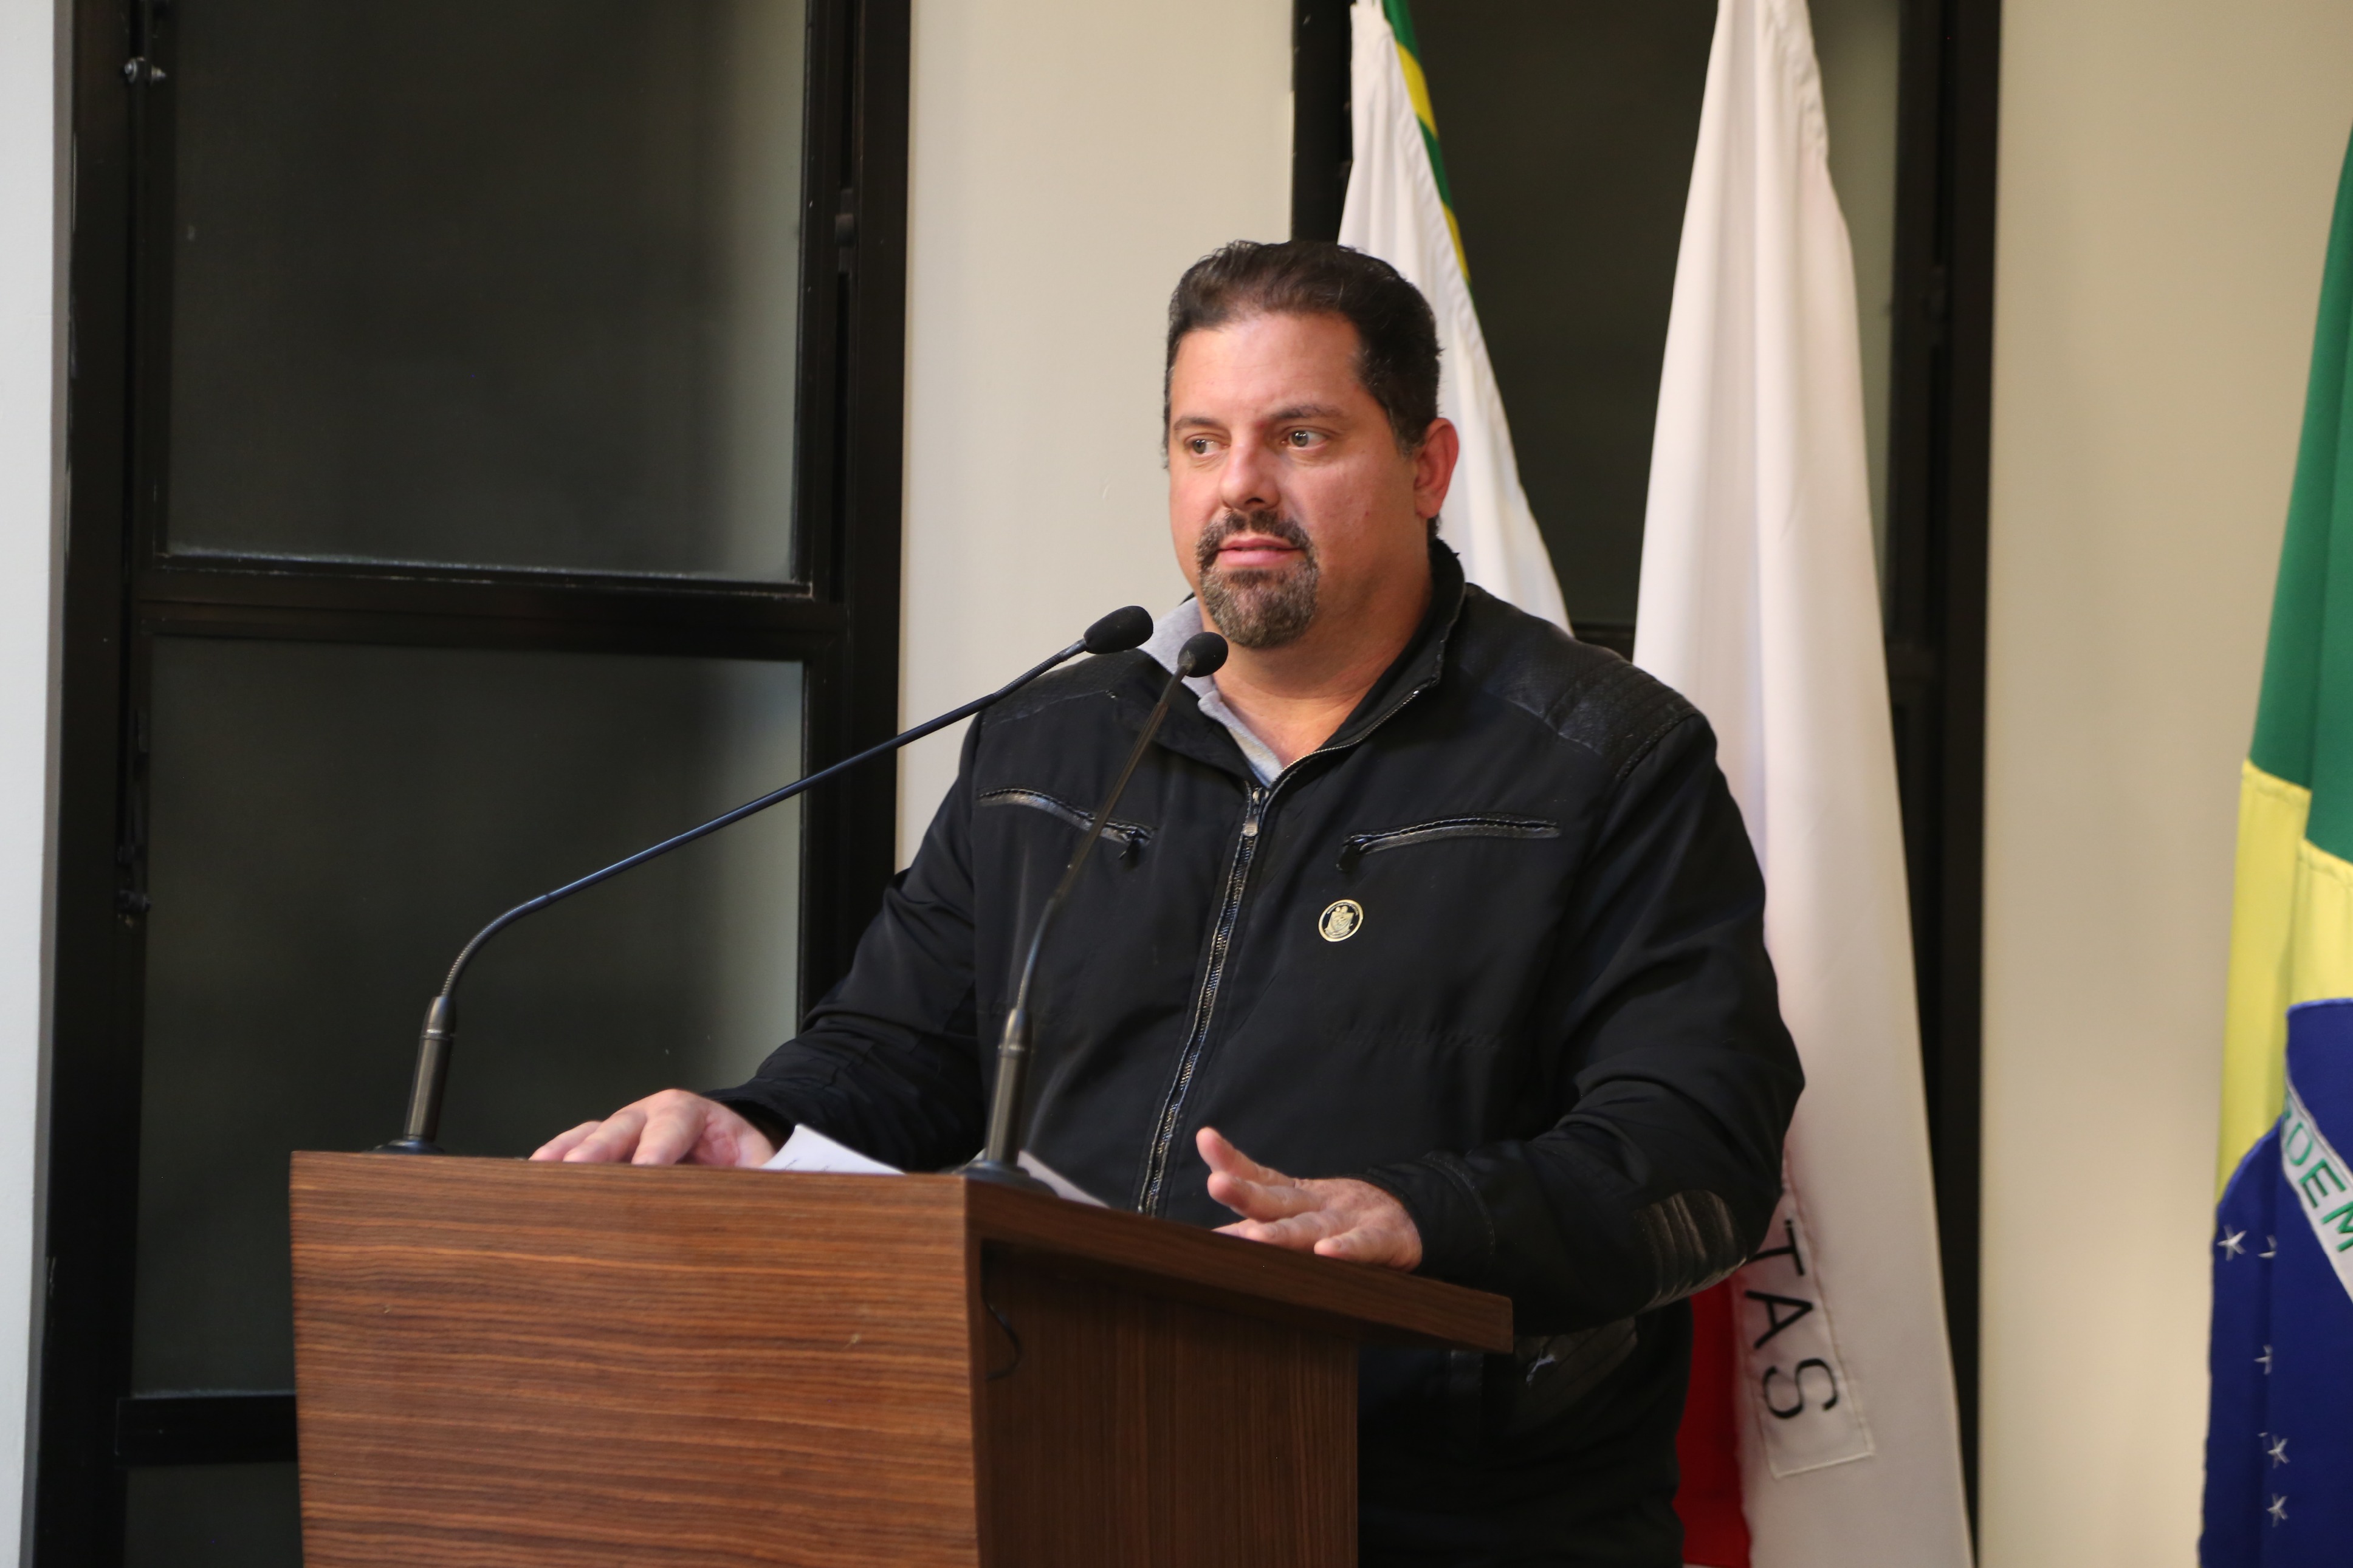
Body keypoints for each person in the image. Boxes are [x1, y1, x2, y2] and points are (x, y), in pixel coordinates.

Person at [535, 239, 1802, 1566]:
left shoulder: (1604, 761)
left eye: (1299, 436)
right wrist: (753, 1122)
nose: (1239, 485)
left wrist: (1423, 1216)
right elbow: (898, 1052)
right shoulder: (1054, 743)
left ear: (1427, 467)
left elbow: (1696, 1150)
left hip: (1437, 1517)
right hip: (1063, 1474)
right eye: (1201, 443)